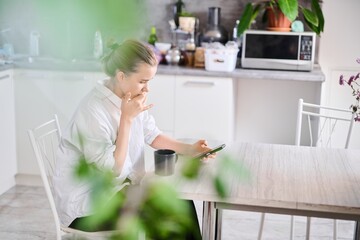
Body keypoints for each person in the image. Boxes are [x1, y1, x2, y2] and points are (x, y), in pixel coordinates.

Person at [53, 39, 213, 239]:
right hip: (86, 208)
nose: (147, 90)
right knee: (168, 207)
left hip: (117, 191)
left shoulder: (128, 97)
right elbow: (114, 172)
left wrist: (190, 149)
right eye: (143, 81)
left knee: (177, 198)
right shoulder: (93, 110)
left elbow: (152, 135)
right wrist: (126, 119)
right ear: (121, 76)